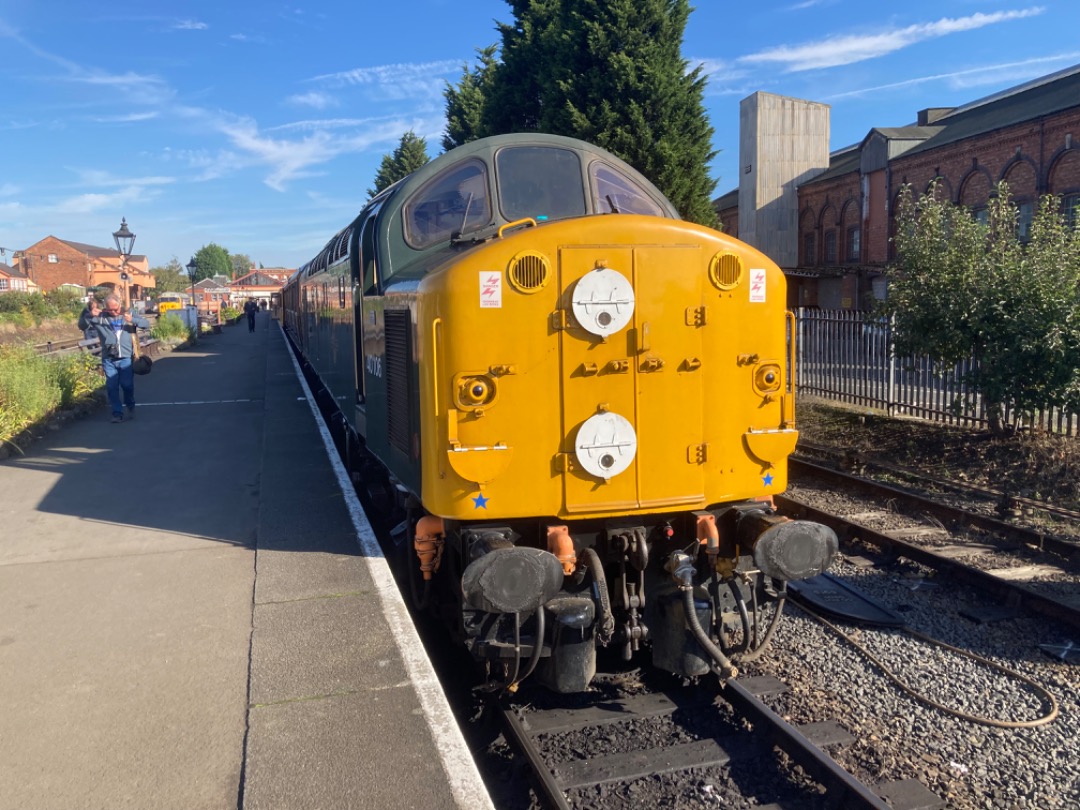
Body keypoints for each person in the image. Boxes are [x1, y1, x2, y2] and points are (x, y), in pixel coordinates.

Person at [78, 294, 151, 423]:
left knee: (127, 385)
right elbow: (82, 326)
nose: (113, 312)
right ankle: (117, 413)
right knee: (112, 386)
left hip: (126, 358)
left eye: (115, 309)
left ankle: (130, 404)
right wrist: (88, 315)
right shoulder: (100, 317)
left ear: (120, 304)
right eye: (109, 309)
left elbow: (146, 324)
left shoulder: (129, 313)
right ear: (105, 308)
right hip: (109, 359)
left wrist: (133, 319)